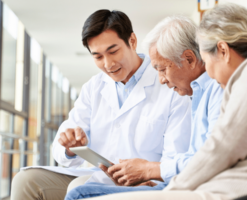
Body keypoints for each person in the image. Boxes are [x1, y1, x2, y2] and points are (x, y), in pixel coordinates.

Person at [80, 3, 247, 200]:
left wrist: (170, 190)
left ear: (222, 50)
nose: (208, 73)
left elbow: (224, 148)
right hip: (232, 185)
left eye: (205, 60)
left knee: (84, 194)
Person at [10, 10, 192, 200]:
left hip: (147, 182)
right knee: (26, 181)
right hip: (100, 176)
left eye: (113, 51)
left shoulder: (169, 83)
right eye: (98, 57)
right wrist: (70, 147)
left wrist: (150, 174)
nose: (108, 64)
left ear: (132, 41)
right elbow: (62, 148)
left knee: (78, 187)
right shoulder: (94, 88)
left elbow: (177, 156)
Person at [65, 16, 224, 200]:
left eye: (163, 69)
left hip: (188, 187)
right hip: (173, 182)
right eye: (98, 56)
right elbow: (192, 157)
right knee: (77, 187)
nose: (161, 79)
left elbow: (208, 160)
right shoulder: (197, 93)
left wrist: (149, 170)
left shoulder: (214, 90)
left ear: (189, 59)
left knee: (80, 194)